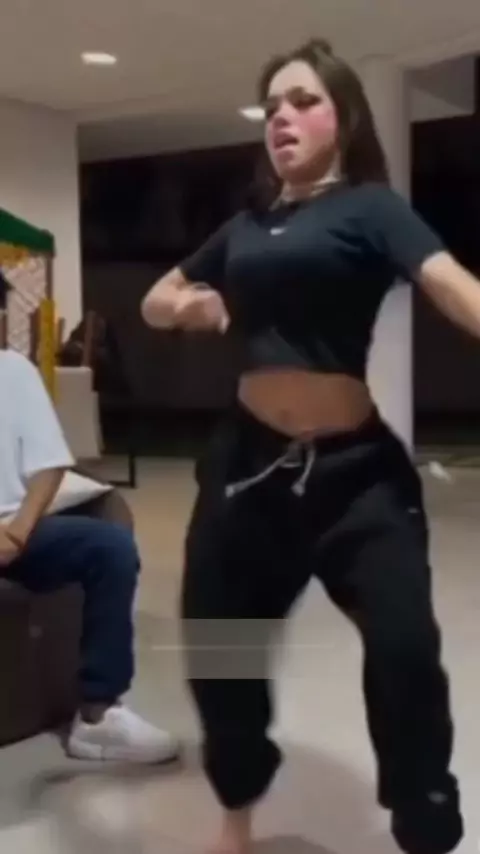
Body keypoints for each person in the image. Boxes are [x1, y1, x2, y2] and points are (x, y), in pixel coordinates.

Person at [141, 38, 477, 854]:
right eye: (272, 107)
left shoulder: (372, 209)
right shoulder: (245, 226)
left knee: (405, 651)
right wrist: (188, 306)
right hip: (245, 469)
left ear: (344, 117)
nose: (281, 118)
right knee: (221, 649)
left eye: (303, 101)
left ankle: (426, 821)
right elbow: (156, 298)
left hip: (358, 476)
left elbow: (452, 285)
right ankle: (236, 814)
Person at [0, 347, 179, 764]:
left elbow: (50, 464)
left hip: (12, 527)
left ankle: (99, 714)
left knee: (109, 548)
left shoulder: (13, 370)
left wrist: (18, 531)